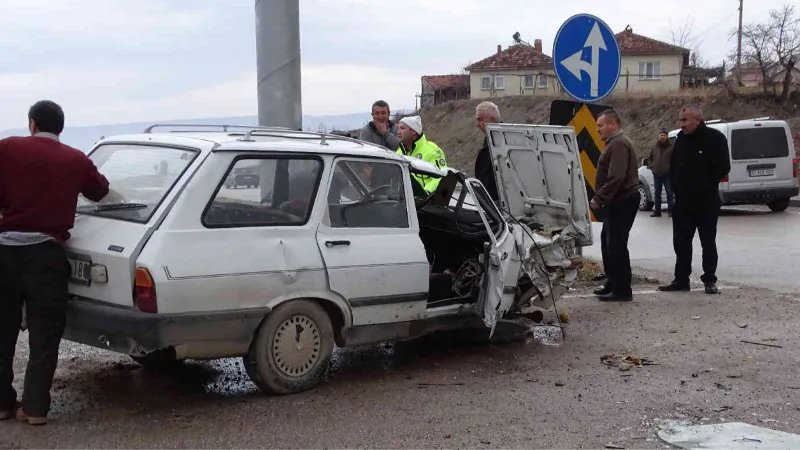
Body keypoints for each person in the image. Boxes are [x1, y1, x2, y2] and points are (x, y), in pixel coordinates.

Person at [0, 101, 111, 425]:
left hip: (4, 252)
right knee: (44, 335)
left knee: (2, 332)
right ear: (60, 127)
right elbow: (101, 192)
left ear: (32, 123)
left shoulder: (6, 148)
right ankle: (34, 408)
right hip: (46, 255)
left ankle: (2, 404)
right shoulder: (75, 159)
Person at [659, 105, 730, 295]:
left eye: (685, 120)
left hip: (706, 201)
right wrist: (675, 185)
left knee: (707, 241)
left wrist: (704, 184)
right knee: (681, 242)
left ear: (697, 120)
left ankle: (710, 280)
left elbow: (723, 166)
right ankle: (681, 279)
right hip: (683, 202)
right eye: (680, 120)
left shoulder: (715, 139)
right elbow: (673, 165)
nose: (681, 124)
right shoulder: (681, 140)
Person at [590, 110, 641, 302]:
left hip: (623, 200)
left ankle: (622, 290)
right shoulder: (614, 142)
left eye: (600, 125)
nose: (597, 130)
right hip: (617, 201)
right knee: (607, 242)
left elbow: (617, 176)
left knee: (617, 245)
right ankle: (612, 283)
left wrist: (599, 198)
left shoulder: (619, 142)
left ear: (613, 125)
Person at [396, 116, 447, 194]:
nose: (398, 132)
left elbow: (441, 177)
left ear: (413, 131)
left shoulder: (433, 151)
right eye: (398, 128)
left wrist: (425, 193)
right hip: (403, 201)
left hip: (426, 202)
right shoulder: (399, 152)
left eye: (402, 128)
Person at [474, 101, 501, 202]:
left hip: (500, 202)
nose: (477, 124)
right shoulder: (489, 138)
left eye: (480, 119)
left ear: (492, 119)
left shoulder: (505, 141)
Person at [644, 128, 675, 217]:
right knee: (657, 193)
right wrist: (651, 166)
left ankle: (671, 211)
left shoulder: (671, 147)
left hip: (667, 174)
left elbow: (675, 160)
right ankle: (657, 211)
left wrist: (671, 168)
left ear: (667, 137)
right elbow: (650, 158)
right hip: (656, 173)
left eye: (664, 135)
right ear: (659, 136)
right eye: (661, 135)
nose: (662, 137)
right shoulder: (654, 147)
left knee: (669, 192)